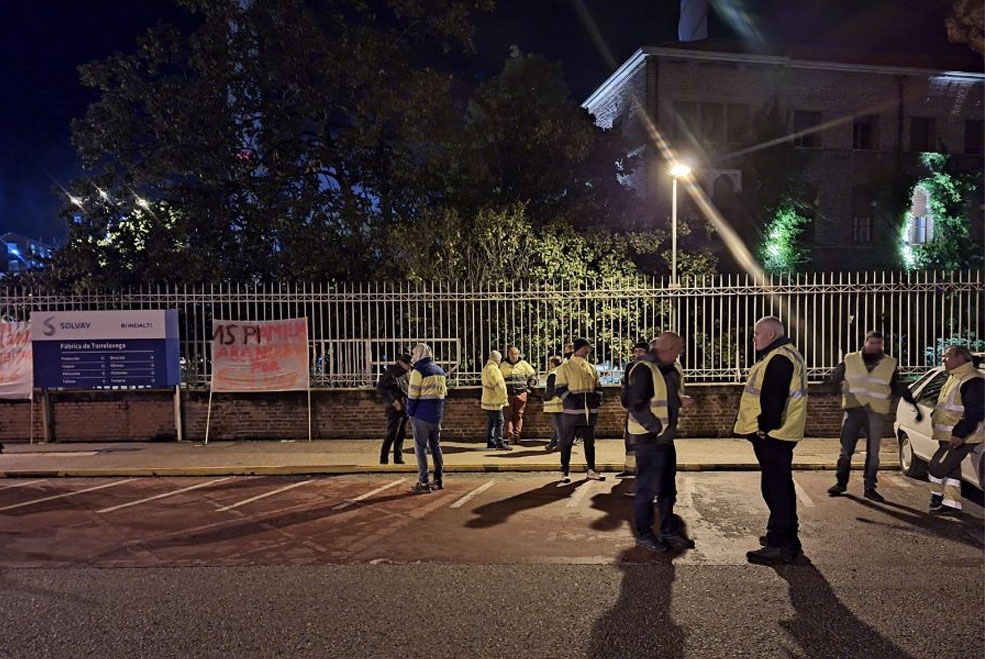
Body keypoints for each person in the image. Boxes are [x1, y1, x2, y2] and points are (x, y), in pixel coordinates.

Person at [734, 316, 808, 565]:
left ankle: (781, 544)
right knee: (781, 486)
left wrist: (764, 428)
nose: (753, 338)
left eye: (757, 333)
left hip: (774, 435)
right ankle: (785, 537)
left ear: (771, 335)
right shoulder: (787, 354)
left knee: (776, 489)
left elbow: (773, 399)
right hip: (783, 433)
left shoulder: (779, 358)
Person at [826, 331, 920, 502]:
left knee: (873, 453)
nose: (876, 347)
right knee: (846, 451)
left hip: (875, 411)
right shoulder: (850, 359)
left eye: (879, 344)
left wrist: (914, 406)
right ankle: (841, 483)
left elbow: (896, 386)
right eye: (873, 343)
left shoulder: (889, 363)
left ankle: (870, 488)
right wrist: (833, 389)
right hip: (854, 410)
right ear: (865, 342)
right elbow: (835, 378)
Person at [627, 333, 696, 552]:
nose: (680, 354)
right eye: (677, 349)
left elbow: (665, 397)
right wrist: (654, 426)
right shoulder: (643, 369)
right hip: (649, 440)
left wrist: (680, 400)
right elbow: (633, 403)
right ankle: (644, 534)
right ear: (666, 348)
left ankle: (668, 529)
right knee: (646, 490)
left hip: (665, 439)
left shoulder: (670, 369)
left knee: (668, 488)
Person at [926, 345, 984, 516]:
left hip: (963, 437)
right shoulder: (955, 377)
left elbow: (975, 411)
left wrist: (959, 434)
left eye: (947, 356)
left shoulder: (972, 380)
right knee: (952, 470)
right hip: (948, 435)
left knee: (937, 467)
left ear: (961, 358)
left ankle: (937, 498)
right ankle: (951, 504)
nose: (943, 359)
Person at [554, 337, 605, 483]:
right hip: (573, 413)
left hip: (589, 414)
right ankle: (565, 471)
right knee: (566, 443)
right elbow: (559, 388)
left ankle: (591, 470)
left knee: (590, 444)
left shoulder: (591, 367)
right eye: (586, 347)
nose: (588, 350)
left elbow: (598, 387)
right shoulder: (565, 367)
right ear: (579, 348)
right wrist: (573, 401)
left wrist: (597, 399)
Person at [406, 343, 448, 494]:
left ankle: (424, 482)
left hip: (421, 415)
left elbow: (412, 395)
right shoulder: (440, 371)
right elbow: (444, 394)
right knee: (436, 446)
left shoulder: (418, 371)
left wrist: (410, 413)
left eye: (414, 354)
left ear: (418, 354)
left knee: (421, 449)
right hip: (436, 416)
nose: (412, 357)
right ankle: (438, 479)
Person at [616, 341, 650, 479]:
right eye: (635, 351)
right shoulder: (630, 366)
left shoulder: (651, 367)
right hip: (632, 408)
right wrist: (625, 400)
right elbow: (626, 386)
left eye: (641, 351)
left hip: (646, 408)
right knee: (630, 439)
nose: (637, 354)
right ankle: (630, 468)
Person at [376, 353, 412, 465]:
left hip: (405, 404)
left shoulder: (406, 373)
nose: (409, 367)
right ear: (401, 363)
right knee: (393, 433)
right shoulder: (391, 373)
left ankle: (398, 457)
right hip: (395, 406)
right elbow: (382, 388)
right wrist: (393, 401)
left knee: (401, 433)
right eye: (408, 364)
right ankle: (384, 457)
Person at [500, 346, 538, 444]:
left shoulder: (524, 364)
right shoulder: (502, 366)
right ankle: (510, 436)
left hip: (521, 393)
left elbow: (533, 376)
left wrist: (529, 389)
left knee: (519, 415)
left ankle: (517, 435)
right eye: (512, 354)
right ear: (508, 354)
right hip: (507, 394)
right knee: (508, 416)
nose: (514, 356)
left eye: (516, 354)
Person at [481, 350, 511, 451]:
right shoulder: (493, 369)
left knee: (491, 422)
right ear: (497, 359)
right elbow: (499, 385)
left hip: (488, 398)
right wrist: (504, 398)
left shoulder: (486, 367)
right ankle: (499, 442)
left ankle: (491, 441)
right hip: (495, 399)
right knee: (499, 421)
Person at [542, 355, 564, 451]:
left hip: (554, 403)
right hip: (562, 402)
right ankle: (553, 442)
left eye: (549, 363)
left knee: (558, 425)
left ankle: (561, 444)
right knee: (558, 425)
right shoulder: (562, 372)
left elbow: (550, 390)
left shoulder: (553, 374)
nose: (547, 365)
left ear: (553, 364)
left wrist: (545, 397)